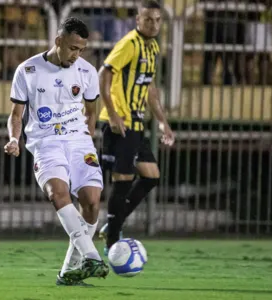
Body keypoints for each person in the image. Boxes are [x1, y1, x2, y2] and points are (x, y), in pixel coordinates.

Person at [4, 17, 109, 286]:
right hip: (45, 142)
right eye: (73, 48)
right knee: (57, 193)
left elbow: (92, 112)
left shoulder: (86, 72)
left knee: (92, 200)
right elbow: (16, 115)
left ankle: (68, 272)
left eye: (82, 49)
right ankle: (92, 256)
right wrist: (14, 139)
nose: (76, 55)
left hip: (79, 142)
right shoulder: (27, 70)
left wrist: (87, 140)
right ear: (58, 41)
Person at [98, 0, 175, 255]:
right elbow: (104, 74)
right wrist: (112, 114)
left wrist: (162, 121)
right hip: (120, 124)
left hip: (136, 123)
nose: (153, 24)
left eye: (157, 19)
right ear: (137, 20)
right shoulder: (129, 44)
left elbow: (150, 89)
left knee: (151, 176)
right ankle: (111, 242)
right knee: (122, 180)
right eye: (148, 19)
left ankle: (113, 224)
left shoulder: (152, 47)